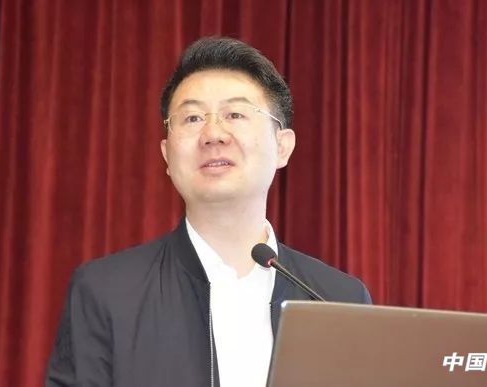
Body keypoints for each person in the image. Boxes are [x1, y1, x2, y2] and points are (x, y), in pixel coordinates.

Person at [45, 37, 371, 387]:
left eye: (235, 114)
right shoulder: (106, 292)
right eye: (192, 118)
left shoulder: (338, 300)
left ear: (282, 147)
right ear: (167, 154)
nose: (213, 134)